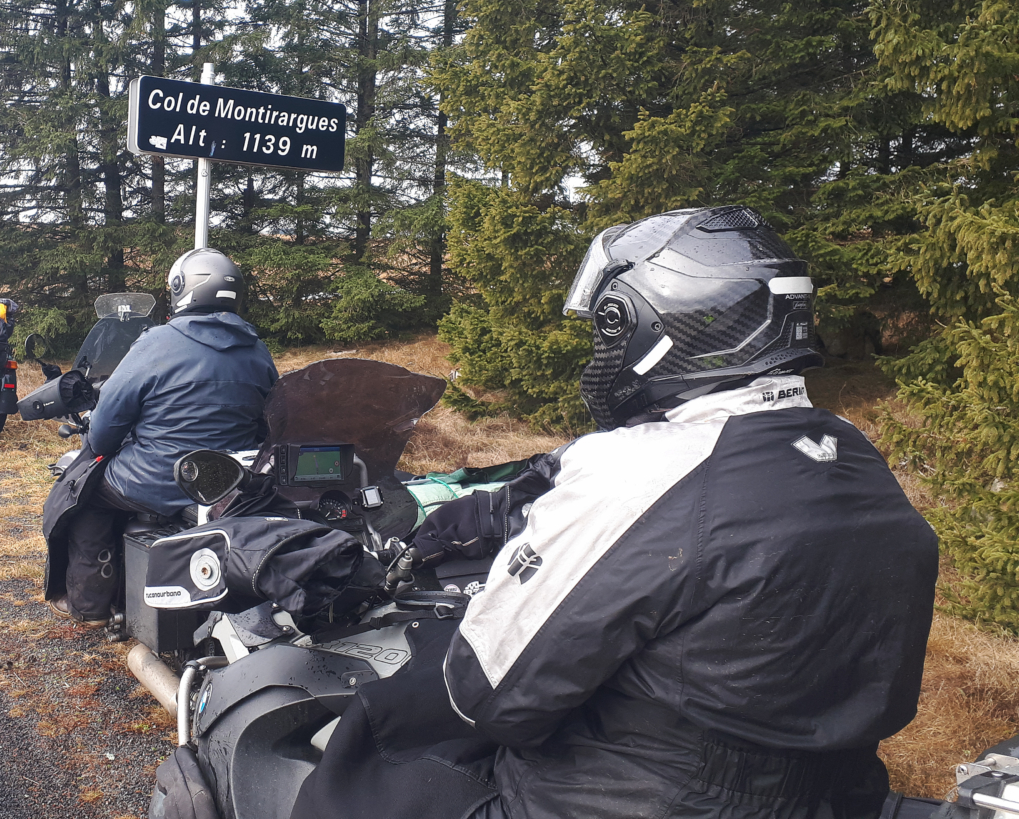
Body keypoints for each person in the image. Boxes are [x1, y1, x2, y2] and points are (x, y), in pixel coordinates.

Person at [293, 205, 939, 819]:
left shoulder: (642, 466)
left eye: (608, 329)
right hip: (823, 798)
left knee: (361, 770)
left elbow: (487, 695)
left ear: (646, 324)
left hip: (614, 802)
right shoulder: (849, 453)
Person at [57, 248, 278, 623]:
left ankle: (90, 607)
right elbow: (268, 422)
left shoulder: (155, 342)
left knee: (84, 496)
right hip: (228, 483)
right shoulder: (257, 349)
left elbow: (106, 428)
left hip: (158, 479)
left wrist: (104, 444)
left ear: (181, 288)